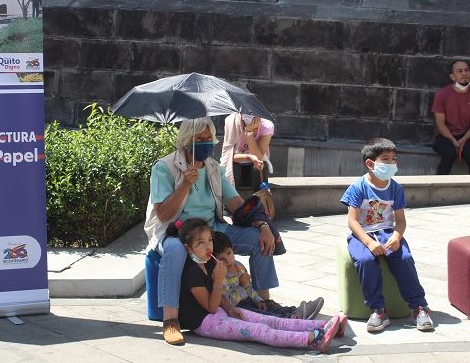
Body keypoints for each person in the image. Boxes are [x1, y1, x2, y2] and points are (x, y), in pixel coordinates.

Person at [144, 118, 280, 345]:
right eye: (200, 139)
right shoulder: (164, 167)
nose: (207, 144)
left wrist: (264, 225)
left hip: (212, 230)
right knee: (175, 250)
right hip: (177, 230)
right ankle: (170, 320)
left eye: (210, 139)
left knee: (259, 239)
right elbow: (163, 214)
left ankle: (263, 301)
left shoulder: (214, 168)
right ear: (186, 141)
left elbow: (238, 205)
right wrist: (185, 185)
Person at [172, 218, 346, 353]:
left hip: (221, 311)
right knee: (258, 330)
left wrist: (230, 308)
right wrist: (218, 281)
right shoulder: (192, 272)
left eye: (209, 240)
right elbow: (210, 307)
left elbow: (219, 300)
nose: (207, 246)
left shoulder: (209, 262)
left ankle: (323, 327)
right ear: (188, 249)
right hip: (204, 322)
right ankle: (312, 339)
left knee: (270, 319)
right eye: (200, 243)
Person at [341, 138, 434, 333]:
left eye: (394, 158)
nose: (391, 163)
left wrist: (397, 237)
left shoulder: (395, 188)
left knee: (404, 258)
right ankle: (377, 310)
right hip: (361, 234)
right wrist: (367, 242)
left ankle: (419, 307)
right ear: (370, 163)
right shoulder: (358, 187)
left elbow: (400, 220)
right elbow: (352, 221)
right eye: (386, 159)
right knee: (366, 261)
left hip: (387, 232)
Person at [212, 231, 324, 320]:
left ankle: (295, 311)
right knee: (260, 314)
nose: (228, 260)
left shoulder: (238, 266)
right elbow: (228, 302)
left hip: (249, 300)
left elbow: (249, 288)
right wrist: (242, 286)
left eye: (229, 253)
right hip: (239, 306)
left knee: (268, 305)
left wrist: (258, 299)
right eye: (222, 259)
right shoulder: (221, 277)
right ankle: (290, 319)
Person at [431, 60, 470, 174]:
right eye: (459, 71)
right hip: (444, 136)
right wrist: (453, 140)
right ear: (452, 76)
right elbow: (440, 124)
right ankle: (439, 187)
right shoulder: (441, 94)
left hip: (468, 136)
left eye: (466, 70)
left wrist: (464, 139)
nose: (464, 73)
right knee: (449, 154)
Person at [220, 113, 274, 190]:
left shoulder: (266, 126)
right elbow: (228, 156)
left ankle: (258, 200)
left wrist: (249, 132)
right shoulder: (232, 121)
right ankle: (233, 200)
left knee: (258, 167)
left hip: (256, 167)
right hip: (237, 167)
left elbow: (258, 157)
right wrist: (249, 157)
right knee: (233, 167)